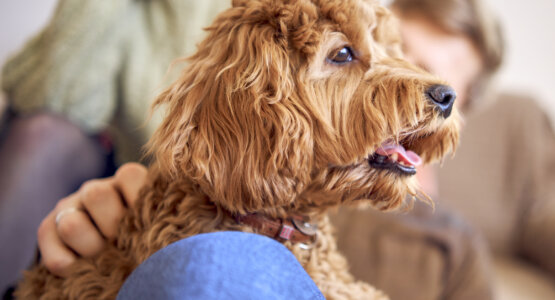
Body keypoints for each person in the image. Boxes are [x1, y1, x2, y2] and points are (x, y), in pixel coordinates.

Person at [2, 0, 505, 298]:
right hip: (184, 246)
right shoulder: (250, 131)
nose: (415, 86)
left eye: (438, 81)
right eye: (359, 57)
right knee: (215, 265)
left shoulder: (454, 248)